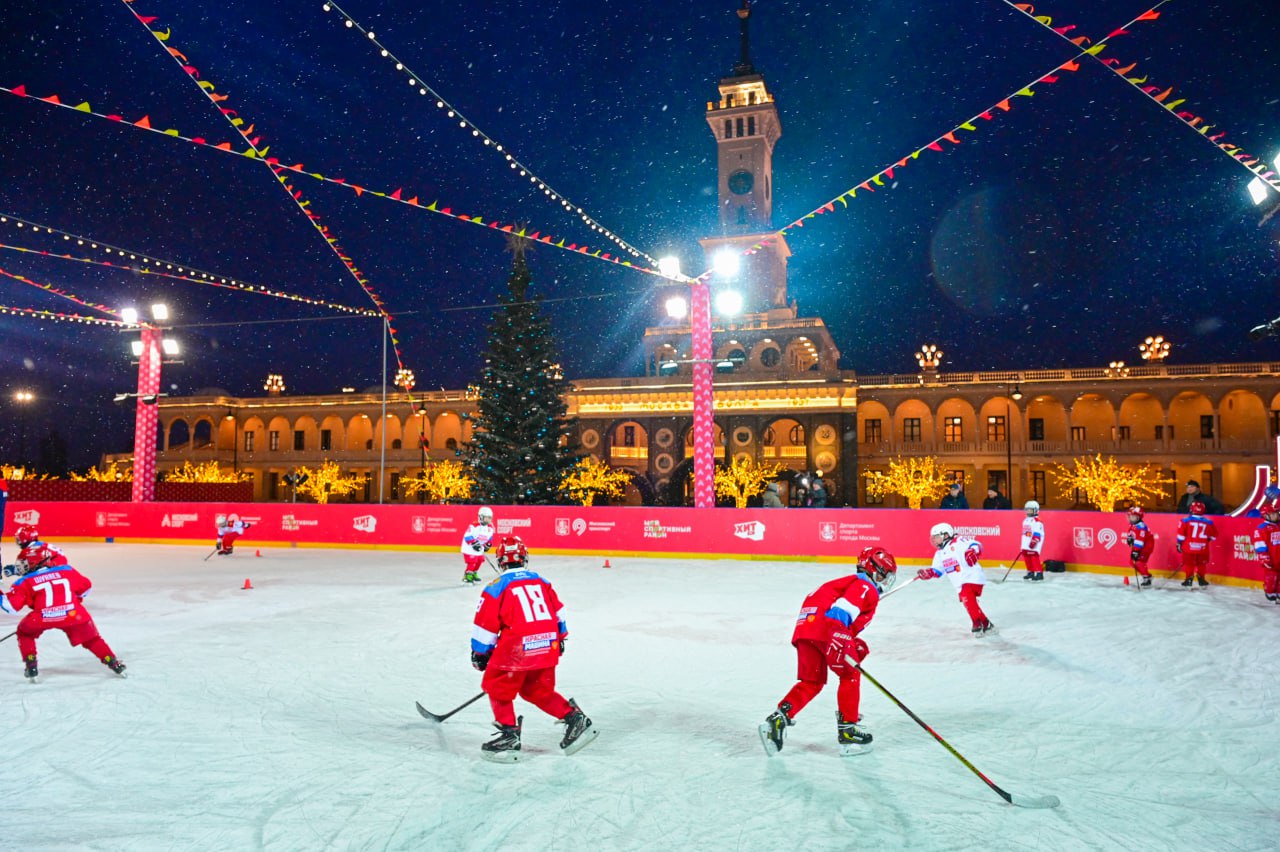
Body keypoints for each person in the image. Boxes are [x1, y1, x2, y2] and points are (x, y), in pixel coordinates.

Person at [759, 547, 898, 758]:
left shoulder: (845, 582)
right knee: (850, 673)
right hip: (827, 630)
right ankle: (848, 730)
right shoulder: (864, 586)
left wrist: (848, 639)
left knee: (812, 682)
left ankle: (778, 720)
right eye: (884, 574)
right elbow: (840, 612)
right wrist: (841, 637)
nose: (884, 581)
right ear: (875, 569)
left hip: (806, 631)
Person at [470, 535, 595, 762]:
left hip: (517, 650)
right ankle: (575, 719)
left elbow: (485, 624)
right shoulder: (541, 581)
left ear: (500, 561)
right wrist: (560, 638)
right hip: (548, 643)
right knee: (537, 690)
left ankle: (509, 735)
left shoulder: (496, 587)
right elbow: (559, 612)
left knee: (497, 686)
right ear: (524, 558)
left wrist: (480, 653)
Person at [1, 539, 126, 682]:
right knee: (91, 639)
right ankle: (113, 662)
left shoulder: (23, 582)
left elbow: (10, 607)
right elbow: (86, 588)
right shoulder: (67, 570)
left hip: (42, 618)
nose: (22, 568)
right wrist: (74, 598)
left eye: (25, 564)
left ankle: (31, 664)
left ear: (34, 563)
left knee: (25, 633)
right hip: (73, 614)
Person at [916, 522, 993, 635]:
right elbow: (937, 571)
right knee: (969, 604)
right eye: (934, 538)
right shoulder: (940, 553)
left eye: (937, 537)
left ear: (946, 535)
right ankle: (986, 623)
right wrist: (928, 573)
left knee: (968, 598)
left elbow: (977, 545)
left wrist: (973, 551)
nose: (935, 541)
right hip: (959, 583)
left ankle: (977, 623)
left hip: (972, 576)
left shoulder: (958, 541)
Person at [1175, 501, 1217, 587]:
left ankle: (1189, 580)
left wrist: (1179, 544)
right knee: (1202, 564)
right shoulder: (1209, 522)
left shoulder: (1184, 521)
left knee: (1189, 564)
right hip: (1203, 548)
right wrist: (1204, 541)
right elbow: (1214, 536)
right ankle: (1202, 580)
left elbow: (1181, 536)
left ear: (1191, 509)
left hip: (1188, 548)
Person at [1250, 499, 1280, 603]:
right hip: (1271, 560)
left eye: (1276, 513)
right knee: (1271, 577)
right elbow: (1260, 546)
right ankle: (1270, 592)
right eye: (1273, 514)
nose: (1276, 516)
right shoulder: (1262, 529)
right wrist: (1265, 559)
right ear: (1266, 516)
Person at [460, 506, 496, 584]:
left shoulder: (490, 528)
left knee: (480, 560)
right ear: (481, 517)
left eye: (490, 518)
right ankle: (467, 575)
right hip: (469, 548)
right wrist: (474, 543)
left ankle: (474, 573)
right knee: (472, 562)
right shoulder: (474, 526)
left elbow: (489, 537)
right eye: (487, 518)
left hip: (479, 548)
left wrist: (488, 544)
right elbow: (468, 536)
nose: (489, 520)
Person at [1124, 505, 1155, 587]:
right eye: (1129, 516)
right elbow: (1131, 534)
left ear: (1138, 517)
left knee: (1139, 562)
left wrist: (1136, 551)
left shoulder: (1141, 527)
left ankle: (1147, 577)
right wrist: (1129, 538)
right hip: (1138, 547)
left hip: (1145, 548)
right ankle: (1146, 576)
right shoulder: (1133, 525)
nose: (1130, 518)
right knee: (1132, 562)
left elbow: (1140, 540)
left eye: (1132, 517)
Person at [1020, 500, 1046, 582]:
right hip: (1026, 543)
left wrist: (1034, 541)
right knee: (1027, 558)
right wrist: (1024, 544)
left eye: (1030, 509)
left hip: (1034, 544)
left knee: (1034, 558)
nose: (1028, 511)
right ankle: (1030, 571)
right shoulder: (1025, 520)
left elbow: (1037, 533)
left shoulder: (1037, 521)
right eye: (1027, 509)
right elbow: (1025, 533)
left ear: (1035, 510)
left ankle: (1039, 573)